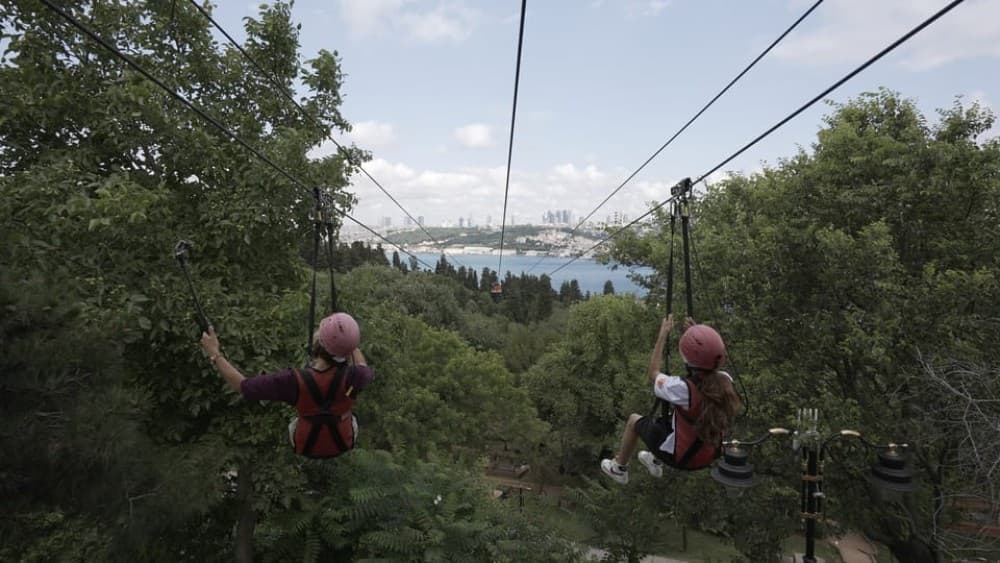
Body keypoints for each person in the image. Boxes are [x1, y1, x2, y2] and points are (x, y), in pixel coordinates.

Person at [199, 312, 374, 459]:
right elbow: (361, 365)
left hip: (305, 443)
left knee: (299, 419)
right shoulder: (357, 376)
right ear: (349, 351)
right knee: (348, 413)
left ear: (318, 341)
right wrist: (349, 343)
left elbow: (243, 386)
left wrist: (215, 354)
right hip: (342, 440)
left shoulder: (292, 380)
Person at [600, 314, 740, 484]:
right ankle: (654, 460)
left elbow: (653, 373)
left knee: (633, 420)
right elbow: (706, 366)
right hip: (708, 455)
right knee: (675, 418)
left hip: (682, 457)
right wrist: (696, 335)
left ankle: (619, 469)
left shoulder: (682, 389)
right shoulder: (726, 381)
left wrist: (663, 335)